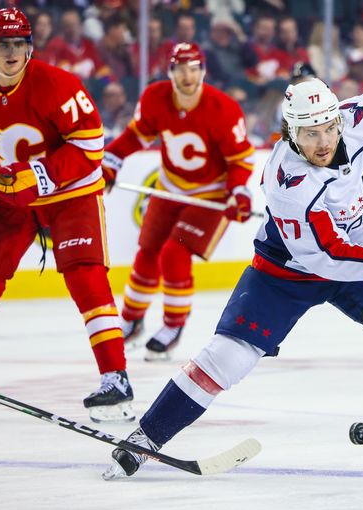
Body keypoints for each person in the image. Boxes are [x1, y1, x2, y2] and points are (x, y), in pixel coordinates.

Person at [102, 77, 363, 480]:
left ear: (340, 120)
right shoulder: (287, 179)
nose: (322, 142)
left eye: (328, 129)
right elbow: (326, 255)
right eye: (309, 134)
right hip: (287, 271)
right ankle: (146, 438)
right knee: (228, 355)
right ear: (290, 133)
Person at [0, 7, 136, 424]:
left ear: (30, 47)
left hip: (71, 193)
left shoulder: (57, 84)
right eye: (2, 44)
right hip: (12, 196)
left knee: (86, 279)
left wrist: (37, 176)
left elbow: (90, 147)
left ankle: (115, 379)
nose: (12, 51)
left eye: (19, 43)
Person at [102, 42, 256, 360]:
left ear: (203, 71)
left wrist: (239, 191)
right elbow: (138, 134)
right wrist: (113, 159)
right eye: (181, 68)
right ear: (170, 72)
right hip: (170, 187)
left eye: (194, 67)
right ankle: (131, 319)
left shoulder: (223, 108)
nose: (188, 75)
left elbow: (240, 161)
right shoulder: (155, 97)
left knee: (174, 253)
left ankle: (173, 325)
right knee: (147, 252)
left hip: (209, 194)